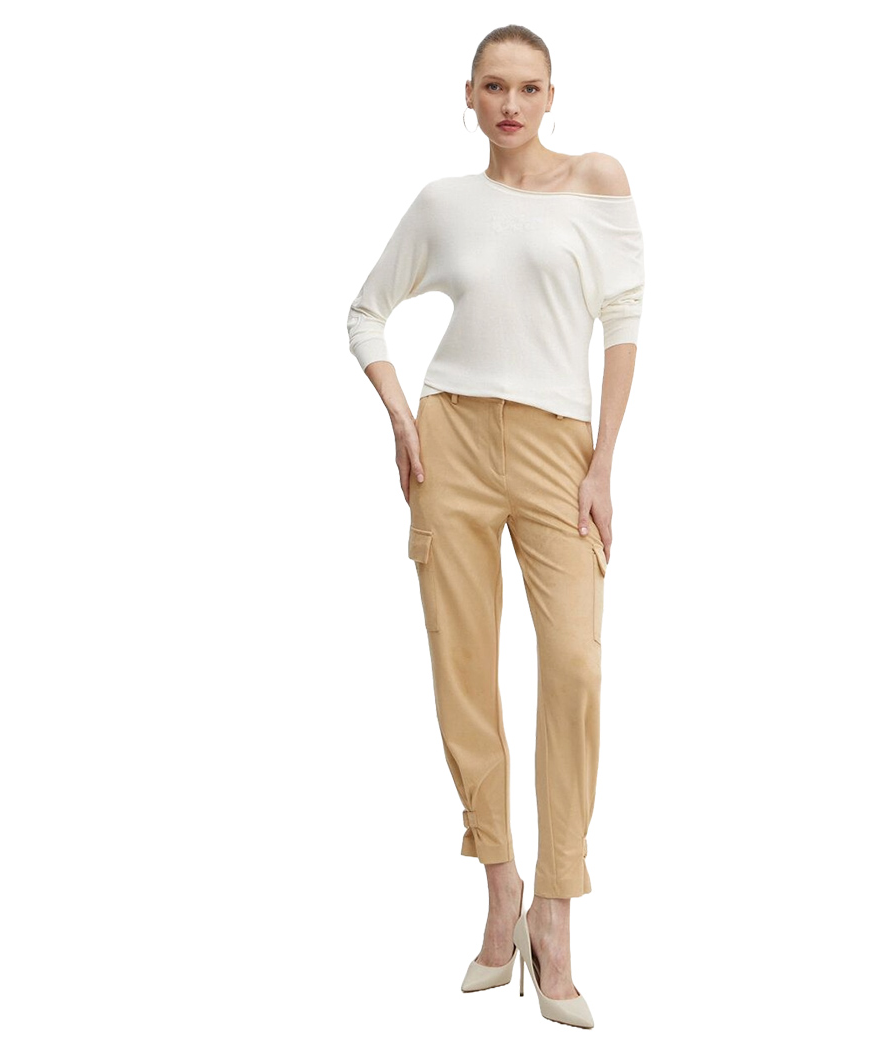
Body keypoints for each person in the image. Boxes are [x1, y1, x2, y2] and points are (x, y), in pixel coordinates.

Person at [345, 24, 643, 1030]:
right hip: (452, 444)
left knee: (576, 666)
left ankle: (556, 907)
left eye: (528, 88)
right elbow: (365, 312)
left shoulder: (597, 180)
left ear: (552, 95)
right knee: (463, 668)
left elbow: (624, 320)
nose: (511, 105)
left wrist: (604, 462)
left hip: (561, 448)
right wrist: (401, 416)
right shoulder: (443, 203)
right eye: (493, 87)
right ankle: (500, 883)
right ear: (468, 95)